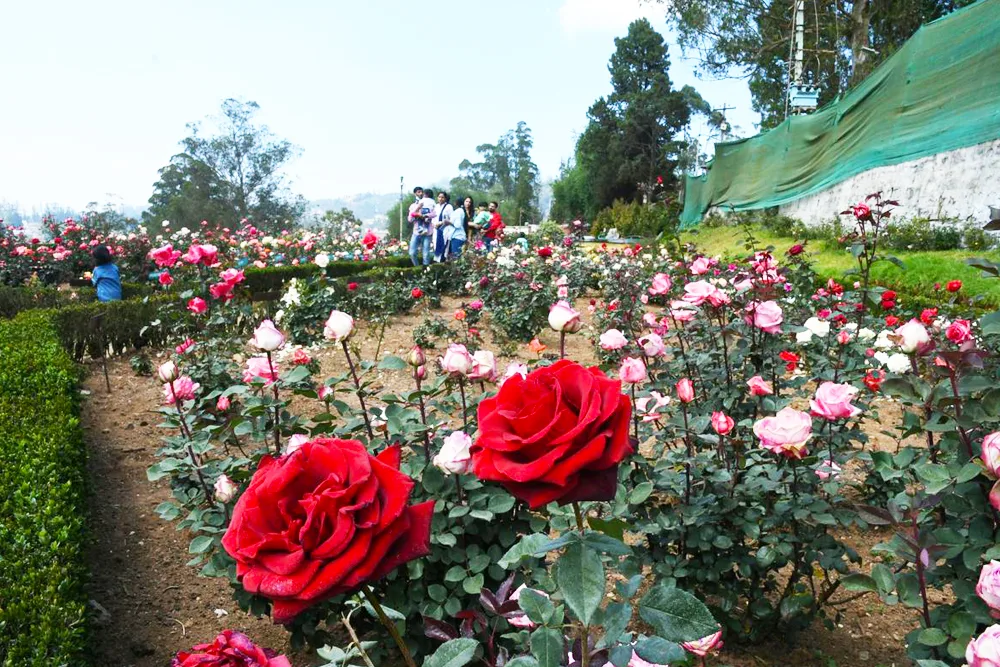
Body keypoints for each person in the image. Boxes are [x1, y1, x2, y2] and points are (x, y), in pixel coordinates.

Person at [408, 186, 436, 266]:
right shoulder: (413, 205)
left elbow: (434, 214)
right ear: (415, 194)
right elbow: (410, 219)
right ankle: (417, 268)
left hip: (427, 232)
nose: (420, 194)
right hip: (417, 231)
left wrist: (425, 216)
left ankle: (425, 271)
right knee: (412, 253)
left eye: (421, 192)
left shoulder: (430, 204)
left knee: (426, 254)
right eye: (418, 192)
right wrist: (418, 209)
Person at [431, 191, 454, 262]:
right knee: (436, 246)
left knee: (444, 248)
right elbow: (433, 217)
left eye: (442, 197)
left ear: (445, 198)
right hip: (436, 230)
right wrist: (433, 224)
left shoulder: (448, 207)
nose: (441, 199)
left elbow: (451, 219)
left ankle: (442, 262)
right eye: (439, 197)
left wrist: (441, 223)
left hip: (445, 230)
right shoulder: (436, 206)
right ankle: (437, 262)